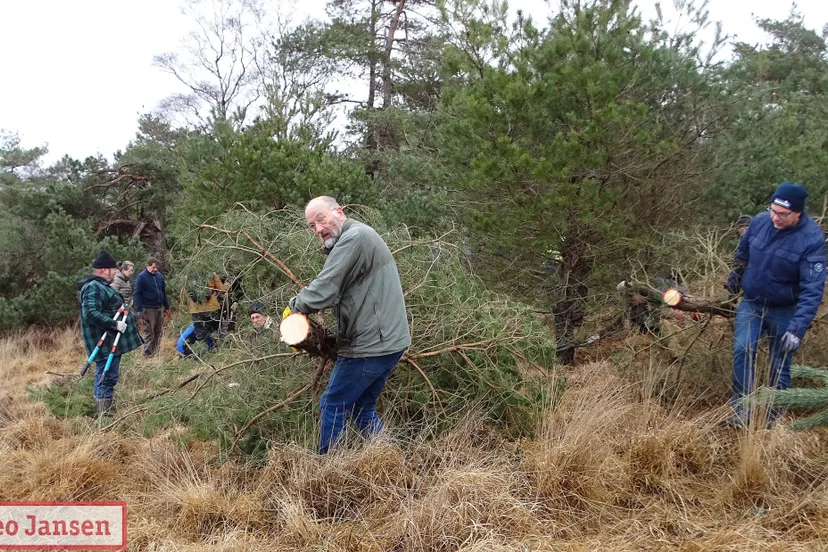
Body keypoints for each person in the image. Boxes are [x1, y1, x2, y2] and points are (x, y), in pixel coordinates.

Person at [287, 196, 411, 453]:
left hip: (371, 345)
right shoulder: (356, 237)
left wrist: (294, 308)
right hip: (390, 341)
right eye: (312, 226)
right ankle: (389, 458)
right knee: (361, 406)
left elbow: (326, 287)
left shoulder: (354, 238)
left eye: (321, 219)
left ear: (339, 212)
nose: (318, 229)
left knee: (332, 404)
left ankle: (327, 470)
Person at [724, 182, 826, 427]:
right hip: (753, 303)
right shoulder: (760, 221)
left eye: (783, 215)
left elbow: (813, 289)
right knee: (742, 349)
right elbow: (743, 254)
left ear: (798, 213)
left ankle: (774, 414)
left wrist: (797, 328)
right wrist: (733, 282)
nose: (775, 218)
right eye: (773, 211)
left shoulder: (812, 239)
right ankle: (742, 408)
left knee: (780, 361)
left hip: (785, 310)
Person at [77, 250, 143, 416]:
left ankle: (105, 411)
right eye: (114, 269)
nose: (116, 272)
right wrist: (114, 324)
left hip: (109, 340)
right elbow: (90, 313)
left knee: (109, 376)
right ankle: (103, 416)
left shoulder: (101, 286)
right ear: (104, 270)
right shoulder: (93, 287)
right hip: (103, 342)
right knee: (106, 376)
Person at [133, 257, 171, 358]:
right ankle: (146, 355)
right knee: (149, 332)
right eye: (153, 267)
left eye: (157, 267)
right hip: (148, 309)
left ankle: (155, 353)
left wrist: (166, 307)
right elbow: (137, 294)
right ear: (148, 266)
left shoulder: (159, 276)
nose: (155, 269)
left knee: (158, 332)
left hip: (159, 308)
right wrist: (140, 310)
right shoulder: (141, 277)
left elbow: (163, 292)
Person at [184, 272, 228, 353]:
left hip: (196, 310)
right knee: (216, 332)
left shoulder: (188, 275)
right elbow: (222, 290)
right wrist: (227, 285)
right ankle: (219, 353)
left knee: (201, 336)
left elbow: (187, 293)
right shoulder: (211, 274)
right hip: (212, 308)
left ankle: (205, 355)